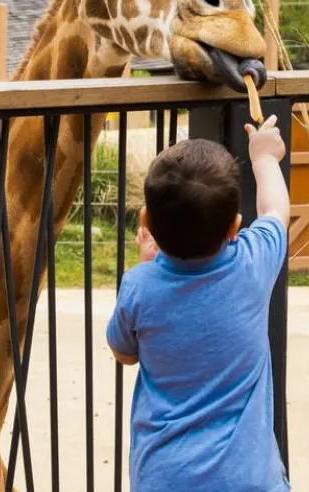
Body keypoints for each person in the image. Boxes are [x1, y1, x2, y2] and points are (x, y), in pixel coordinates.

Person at [106, 115, 291, 492]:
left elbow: (124, 354)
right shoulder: (252, 263)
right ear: (234, 227)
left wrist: (147, 265)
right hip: (249, 482)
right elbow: (275, 211)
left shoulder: (139, 286)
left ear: (145, 220)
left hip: (164, 479)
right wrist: (264, 158)